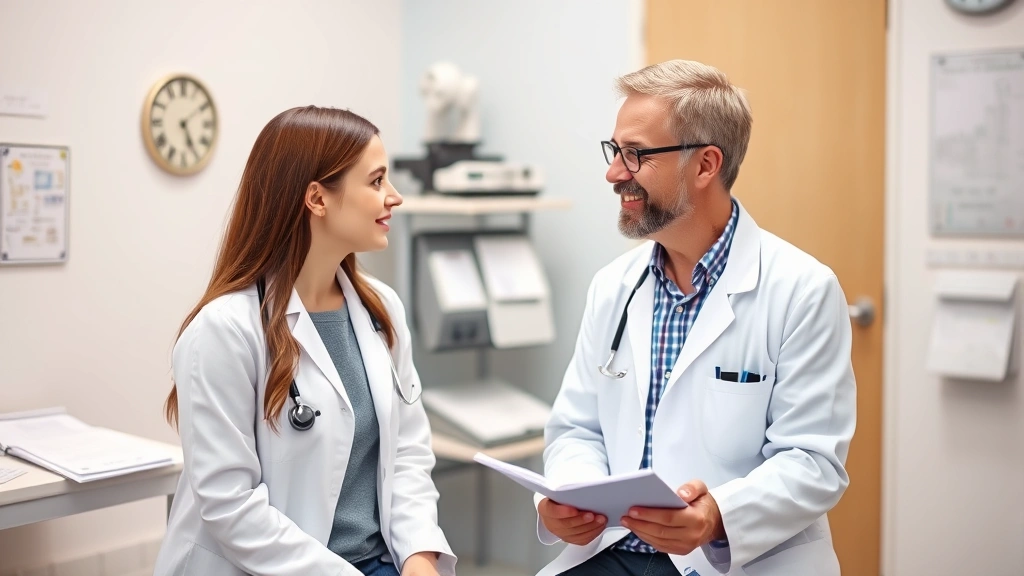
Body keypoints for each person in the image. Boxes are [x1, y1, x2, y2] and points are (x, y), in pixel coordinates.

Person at [534, 60, 856, 576]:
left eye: (635, 154)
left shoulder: (802, 290)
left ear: (706, 165)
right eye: (615, 151)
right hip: (615, 550)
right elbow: (577, 428)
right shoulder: (613, 286)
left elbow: (813, 462)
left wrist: (717, 517)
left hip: (736, 560)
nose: (614, 172)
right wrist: (572, 497)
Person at [154, 106, 456, 576]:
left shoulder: (382, 311)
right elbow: (231, 508)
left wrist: (419, 557)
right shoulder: (225, 332)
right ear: (317, 198)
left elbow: (408, 456)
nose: (394, 197)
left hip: (376, 562)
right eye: (376, 182)